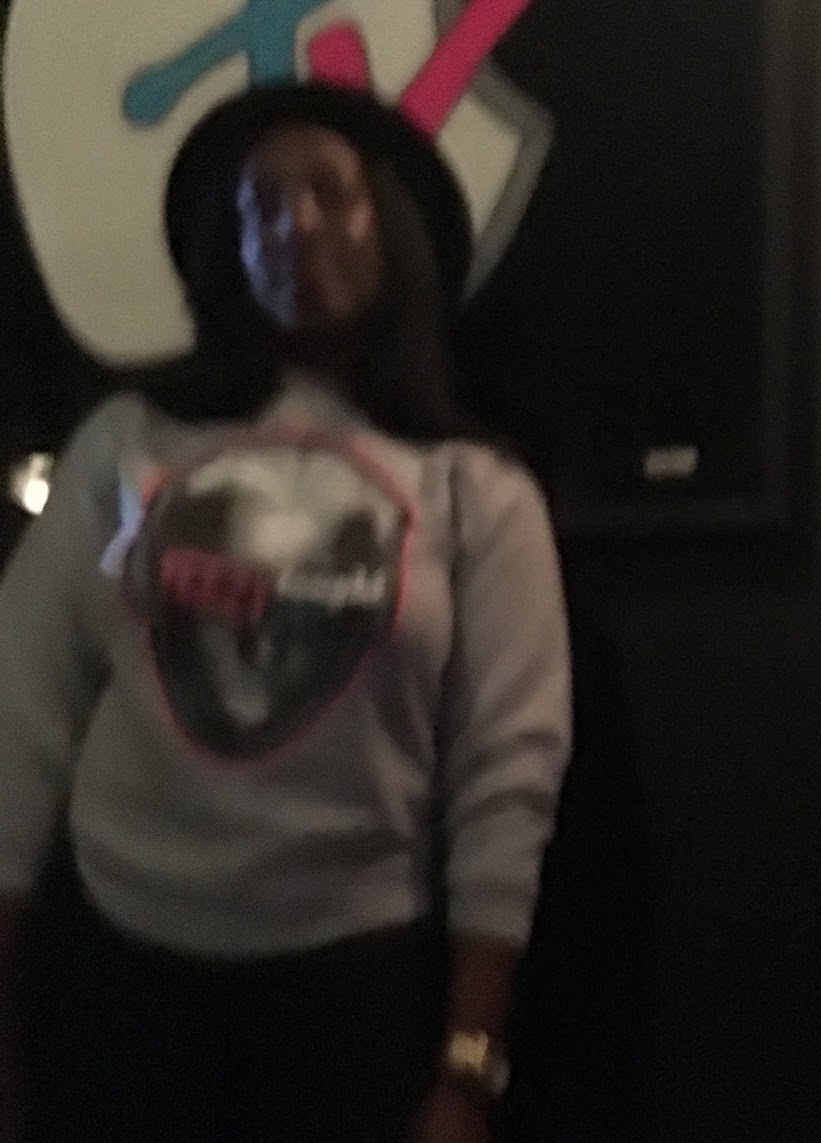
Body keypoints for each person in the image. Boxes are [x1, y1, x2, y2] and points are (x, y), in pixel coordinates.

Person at [0, 82, 573, 1143]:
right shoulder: (128, 442)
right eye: (261, 204)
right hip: (118, 980)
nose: (294, 225)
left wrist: (468, 1068)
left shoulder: (474, 490)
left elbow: (508, 783)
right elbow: (18, 721)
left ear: (389, 223)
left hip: (352, 1000)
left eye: (328, 193)